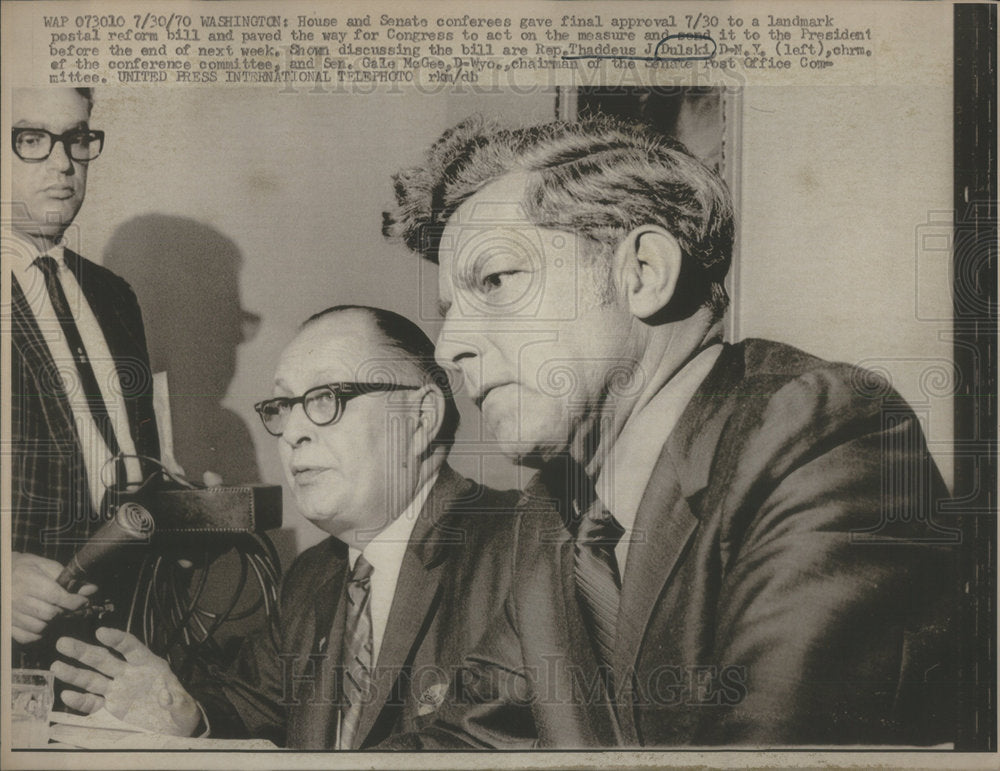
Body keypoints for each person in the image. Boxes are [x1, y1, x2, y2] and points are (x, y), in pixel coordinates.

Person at [377, 115, 960, 747]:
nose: (449, 349)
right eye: (450, 312)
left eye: (494, 280)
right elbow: (462, 743)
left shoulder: (827, 433)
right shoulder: (556, 513)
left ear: (644, 271)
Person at [51, 305, 520, 748]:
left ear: (419, 418)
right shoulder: (315, 576)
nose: (293, 431)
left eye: (325, 398)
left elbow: (485, 746)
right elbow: (251, 705)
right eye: (284, 405)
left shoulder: (521, 548)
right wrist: (188, 716)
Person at [5, 88, 160, 666]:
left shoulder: (113, 296)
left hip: (120, 642)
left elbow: (130, 462)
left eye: (76, 138)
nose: (63, 162)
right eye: (30, 140)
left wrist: (185, 513)